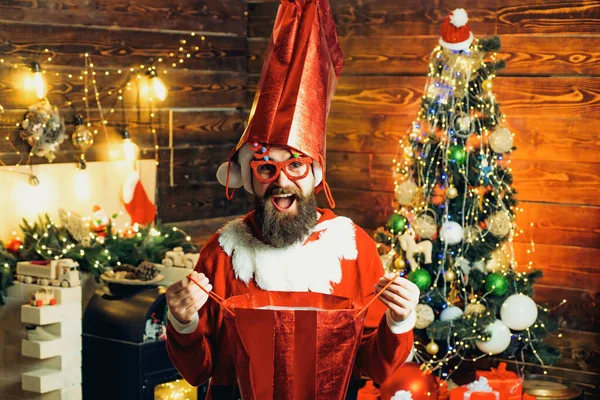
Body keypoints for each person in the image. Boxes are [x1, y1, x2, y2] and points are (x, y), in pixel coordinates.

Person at [165, 0, 419, 398]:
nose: (281, 182)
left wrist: (399, 321)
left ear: (315, 175)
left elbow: (373, 366)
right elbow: (199, 372)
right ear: (252, 178)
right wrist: (182, 322)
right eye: (267, 168)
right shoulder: (221, 254)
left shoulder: (353, 250)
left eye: (295, 166)